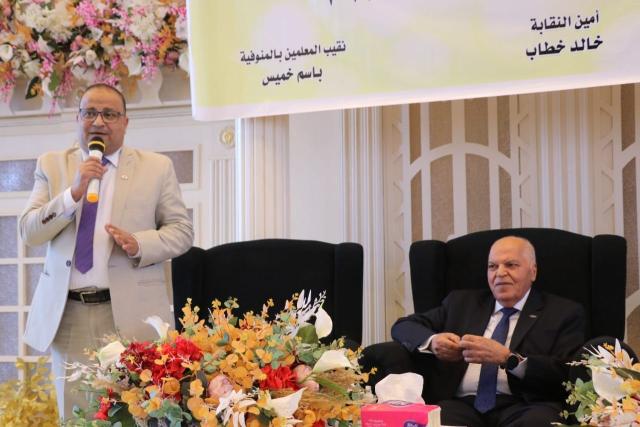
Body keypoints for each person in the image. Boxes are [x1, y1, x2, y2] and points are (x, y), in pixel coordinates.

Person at [19, 84, 194, 419]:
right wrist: (72, 193)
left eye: (109, 114)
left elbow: (182, 231)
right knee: (76, 417)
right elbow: (29, 231)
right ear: (78, 119)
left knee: (136, 415)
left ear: (125, 122)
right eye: (90, 113)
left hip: (131, 313)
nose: (99, 121)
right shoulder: (52, 164)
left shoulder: (156, 168)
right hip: (69, 315)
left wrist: (140, 244)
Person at [391, 236, 586, 427]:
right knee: (433, 421)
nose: (500, 273)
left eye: (511, 265)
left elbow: (568, 371)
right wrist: (433, 341)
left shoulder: (563, 313)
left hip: (527, 405)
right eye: (492, 266)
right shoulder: (460, 303)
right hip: (461, 405)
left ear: (532, 271)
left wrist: (509, 359)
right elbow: (403, 326)